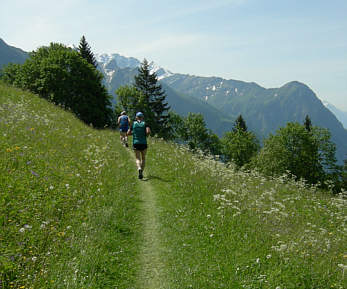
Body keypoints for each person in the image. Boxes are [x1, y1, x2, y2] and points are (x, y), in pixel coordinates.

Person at [127, 112, 151, 179]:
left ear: (136, 117)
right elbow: (148, 132)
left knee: (137, 158)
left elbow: (128, 133)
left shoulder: (133, 124)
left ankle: (139, 168)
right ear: (142, 117)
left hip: (136, 143)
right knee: (143, 158)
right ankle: (141, 173)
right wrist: (146, 135)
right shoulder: (145, 124)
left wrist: (134, 133)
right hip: (143, 143)